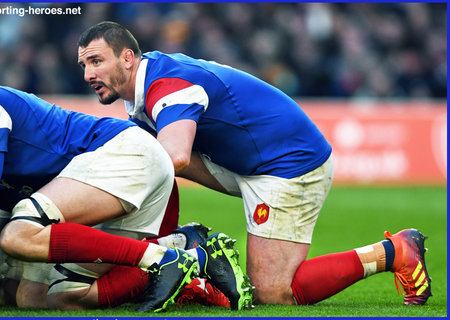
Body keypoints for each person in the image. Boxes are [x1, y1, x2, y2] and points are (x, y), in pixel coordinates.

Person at [76, 21, 432, 306]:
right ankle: (184, 248)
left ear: (127, 58)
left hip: (289, 164)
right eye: (84, 65)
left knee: (272, 294)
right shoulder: (140, 89)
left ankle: (395, 251)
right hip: (245, 162)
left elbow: (176, 157)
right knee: (146, 154)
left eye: (96, 61)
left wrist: (96, 195)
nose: (88, 74)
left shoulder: (167, 86)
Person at [0, 70, 252, 311]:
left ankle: (176, 259)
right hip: (77, 182)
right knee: (29, 297)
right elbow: (0, 191)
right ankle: (183, 250)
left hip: (123, 156)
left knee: (19, 235)